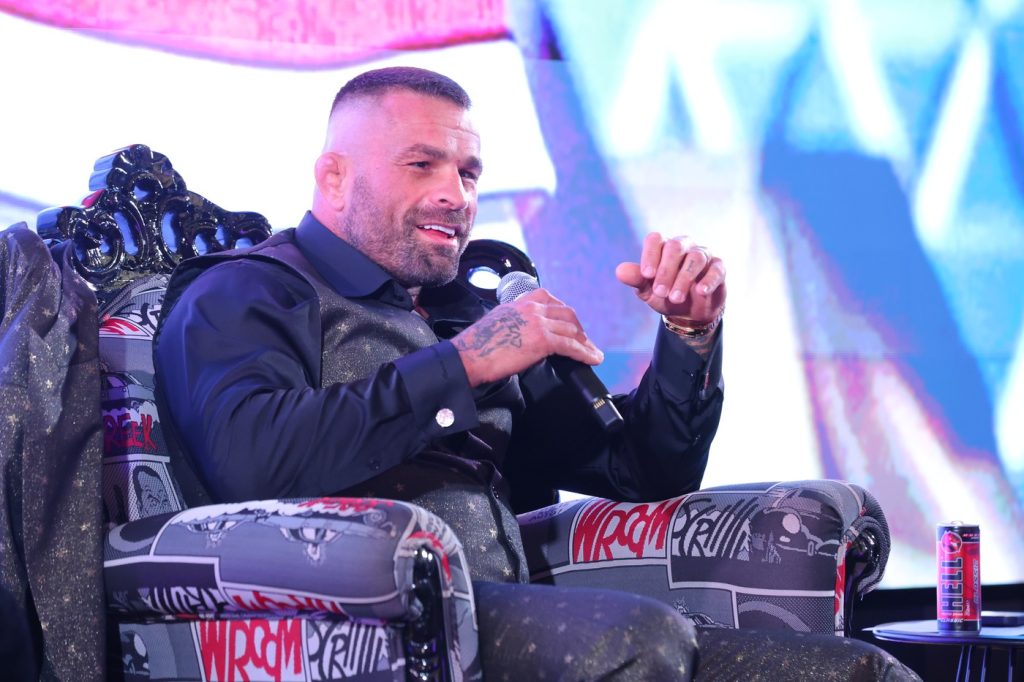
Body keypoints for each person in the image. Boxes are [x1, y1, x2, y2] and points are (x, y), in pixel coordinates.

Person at [155, 66, 918, 681]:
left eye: (469, 171)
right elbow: (250, 457)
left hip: (516, 614)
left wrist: (689, 338)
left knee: (859, 670)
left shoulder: (462, 311)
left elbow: (642, 469)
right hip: (362, 624)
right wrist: (466, 364)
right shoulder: (248, 290)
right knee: (631, 640)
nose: (456, 195)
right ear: (333, 177)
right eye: (422, 165)